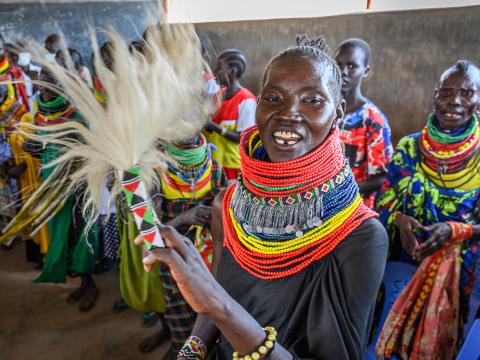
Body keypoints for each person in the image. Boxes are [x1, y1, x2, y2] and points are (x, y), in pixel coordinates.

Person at [138, 36, 388, 359]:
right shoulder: (227, 204)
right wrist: (192, 349)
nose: (288, 114)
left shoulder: (361, 238)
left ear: (337, 112)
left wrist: (220, 307)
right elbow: (218, 289)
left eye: (312, 100)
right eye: (273, 98)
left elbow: (218, 301)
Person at [375, 60, 480, 358]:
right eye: (446, 92)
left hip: (463, 279)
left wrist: (456, 230)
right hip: (406, 263)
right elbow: (385, 200)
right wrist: (399, 218)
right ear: (434, 96)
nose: (454, 101)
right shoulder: (410, 147)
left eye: (467, 93)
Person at [30, 69, 100, 312]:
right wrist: (33, 149)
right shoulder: (39, 116)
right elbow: (43, 149)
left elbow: (89, 152)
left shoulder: (75, 115)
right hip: (53, 184)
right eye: (41, 84)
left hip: (78, 184)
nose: (44, 89)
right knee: (63, 231)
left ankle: (89, 283)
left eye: (50, 84)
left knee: (83, 232)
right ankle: (81, 281)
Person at [334, 38, 393, 207]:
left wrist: (345, 190)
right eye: (339, 65)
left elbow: (382, 177)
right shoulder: (327, 110)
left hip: (356, 206)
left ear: (365, 71)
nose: (343, 72)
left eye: (352, 66)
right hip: (325, 204)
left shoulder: (372, 119)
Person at [204, 49, 256, 181]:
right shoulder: (219, 93)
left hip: (231, 166)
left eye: (220, 68)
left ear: (232, 72)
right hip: (212, 162)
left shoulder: (246, 100)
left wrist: (214, 126)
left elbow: (243, 138)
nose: (215, 72)